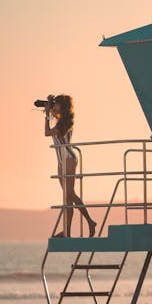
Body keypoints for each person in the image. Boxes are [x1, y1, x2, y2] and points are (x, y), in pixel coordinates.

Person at [44, 94, 96, 237]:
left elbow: (47, 132)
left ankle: (90, 222)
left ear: (63, 106)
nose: (54, 106)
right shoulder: (60, 120)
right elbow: (52, 119)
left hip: (68, 159)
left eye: (57, 103)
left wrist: (47, 114)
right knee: (67, 199)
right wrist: (48, 105)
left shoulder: (65, 123)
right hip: (61, 161)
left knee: (69, 194)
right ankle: (66, 231)